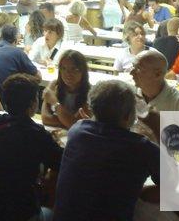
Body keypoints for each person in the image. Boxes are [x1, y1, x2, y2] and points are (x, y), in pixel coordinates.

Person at [53, 80, 160, 221]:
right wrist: (155, 129)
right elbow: (170, 185)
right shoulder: (142, 147)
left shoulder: (77, 131)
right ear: (128, 116)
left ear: (92, 109)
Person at [0, 74, 62, 221]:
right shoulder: (37, 133)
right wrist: (52, 140)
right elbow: (60, 162)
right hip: (18, 212)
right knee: (52, 213)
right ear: (33, 103)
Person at [0, 26, 41, 108]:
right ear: (16, 39)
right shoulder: (18, 53)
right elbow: (38, 77)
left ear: (1, 36)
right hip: (5, 102)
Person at [41, 50, 91, 129]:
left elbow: (76, 125)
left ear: (83, 71)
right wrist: (67, 122)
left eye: (74, 69)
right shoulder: (54, 86)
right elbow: (45, 118)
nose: (68, 73)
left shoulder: (90, 93)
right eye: (63, 68)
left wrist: (55, 103)